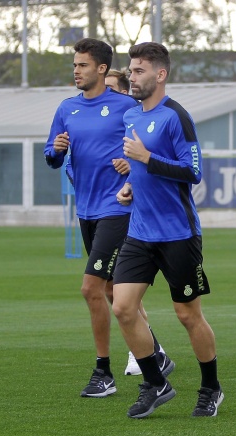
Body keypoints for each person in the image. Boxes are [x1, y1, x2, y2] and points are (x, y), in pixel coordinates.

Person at [44, 38, 173, 398]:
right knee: (114, 290)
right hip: (85, 210)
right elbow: (52, 154)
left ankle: (103, 372)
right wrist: (56, 151)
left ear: (101, 69)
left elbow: (150, 146)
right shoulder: (66, 108)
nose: (76, 71)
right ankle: (156, 354)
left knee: (91, 288)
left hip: (117, 209)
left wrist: (130, 163)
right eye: (74, 65)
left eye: (82, 65)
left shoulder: (126, 107)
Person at [112, 42, 222, 419]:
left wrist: (147, 158)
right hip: (140, 232)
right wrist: (130, 185)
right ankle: (155, 383)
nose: (131, 76)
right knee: (123, 308)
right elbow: (139, 169)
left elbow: (193, 172)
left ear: (160, 75)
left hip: (178, 234)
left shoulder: (176, 117)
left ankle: (211, 388)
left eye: (139, 70)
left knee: (188, 315)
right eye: (131, 70)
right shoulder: (131, 115)